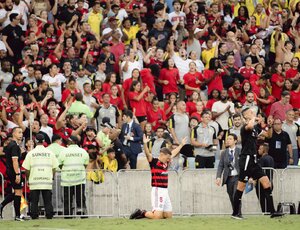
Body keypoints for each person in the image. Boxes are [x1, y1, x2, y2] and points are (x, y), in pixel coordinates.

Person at [231, 108, 283, 219]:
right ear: (245, 116)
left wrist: (269, 126)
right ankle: (235, 213)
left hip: (254, 160)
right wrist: (254, 118)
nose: (253, 113)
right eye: (250, 112)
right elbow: (249, 126)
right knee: (241, 186)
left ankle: (272, 211)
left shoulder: (255, 128)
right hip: (246, 160)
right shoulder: (245, 128)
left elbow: (268, 135)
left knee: (266, 182)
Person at [129, 135, 187, 219]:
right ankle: (142, 212)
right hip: (157, 189)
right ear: (162, 155)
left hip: (165, 190)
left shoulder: (166, 162)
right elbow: (147, 153)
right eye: (167, 158)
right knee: (157, 216)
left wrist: (181, 145)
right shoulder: (154, 161)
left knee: (168, 216)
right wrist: (145, 144)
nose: (169, 160)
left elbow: (173, 153)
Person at [22, 134, 58, 219]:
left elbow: (26, 169)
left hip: (34, 180)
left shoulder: (31, 153)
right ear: (44, 141)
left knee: (34, 201)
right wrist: (52, 177)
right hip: (46, 180)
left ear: (35, 141)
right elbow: (54, 168)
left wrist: (28, 178)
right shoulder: (50, 153)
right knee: (47, 200)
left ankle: (34, 215)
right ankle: (49, 215)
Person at [58, 136, 89, 217]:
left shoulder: (63, 151)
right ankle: (82, 214)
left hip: (67, 180)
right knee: (80, 199)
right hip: (79, 179)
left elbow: (60, 164)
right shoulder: (83, 151)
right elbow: (85, 164)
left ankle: (68, 215)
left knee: (67, 199)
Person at [216, 134, 241, 215]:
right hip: (228, 178)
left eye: (230, 139)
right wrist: (218, 177)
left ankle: (238, 213)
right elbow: (220, 165)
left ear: (235, 141)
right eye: (227, 139)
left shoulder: (240, 151)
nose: (228, 140)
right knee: (231, 196)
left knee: (235, 195)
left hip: (238, 177)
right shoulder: (224, 152)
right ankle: (235, 212)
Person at [3, 127, 25, 221]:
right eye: (19, 132)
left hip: (10, 170)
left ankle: (2, 206)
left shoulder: (11, 145)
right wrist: (17, 174)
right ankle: (17, 215)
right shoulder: (14, 146)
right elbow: (14, 161)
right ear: (14, 134)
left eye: (21, 132)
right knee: (18, 192)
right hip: (13, 171)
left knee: (17, 192)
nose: (21, 134)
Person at [256, 143, 275, 213]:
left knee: (263, 200)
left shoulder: (261, 159)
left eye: (260, 149)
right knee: (268, 197)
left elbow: (259, 172)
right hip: (270, 181)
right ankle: (270, 211)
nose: (258, 150)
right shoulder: (271, 158)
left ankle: (265, 212)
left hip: (262, 183)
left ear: (264, 150)